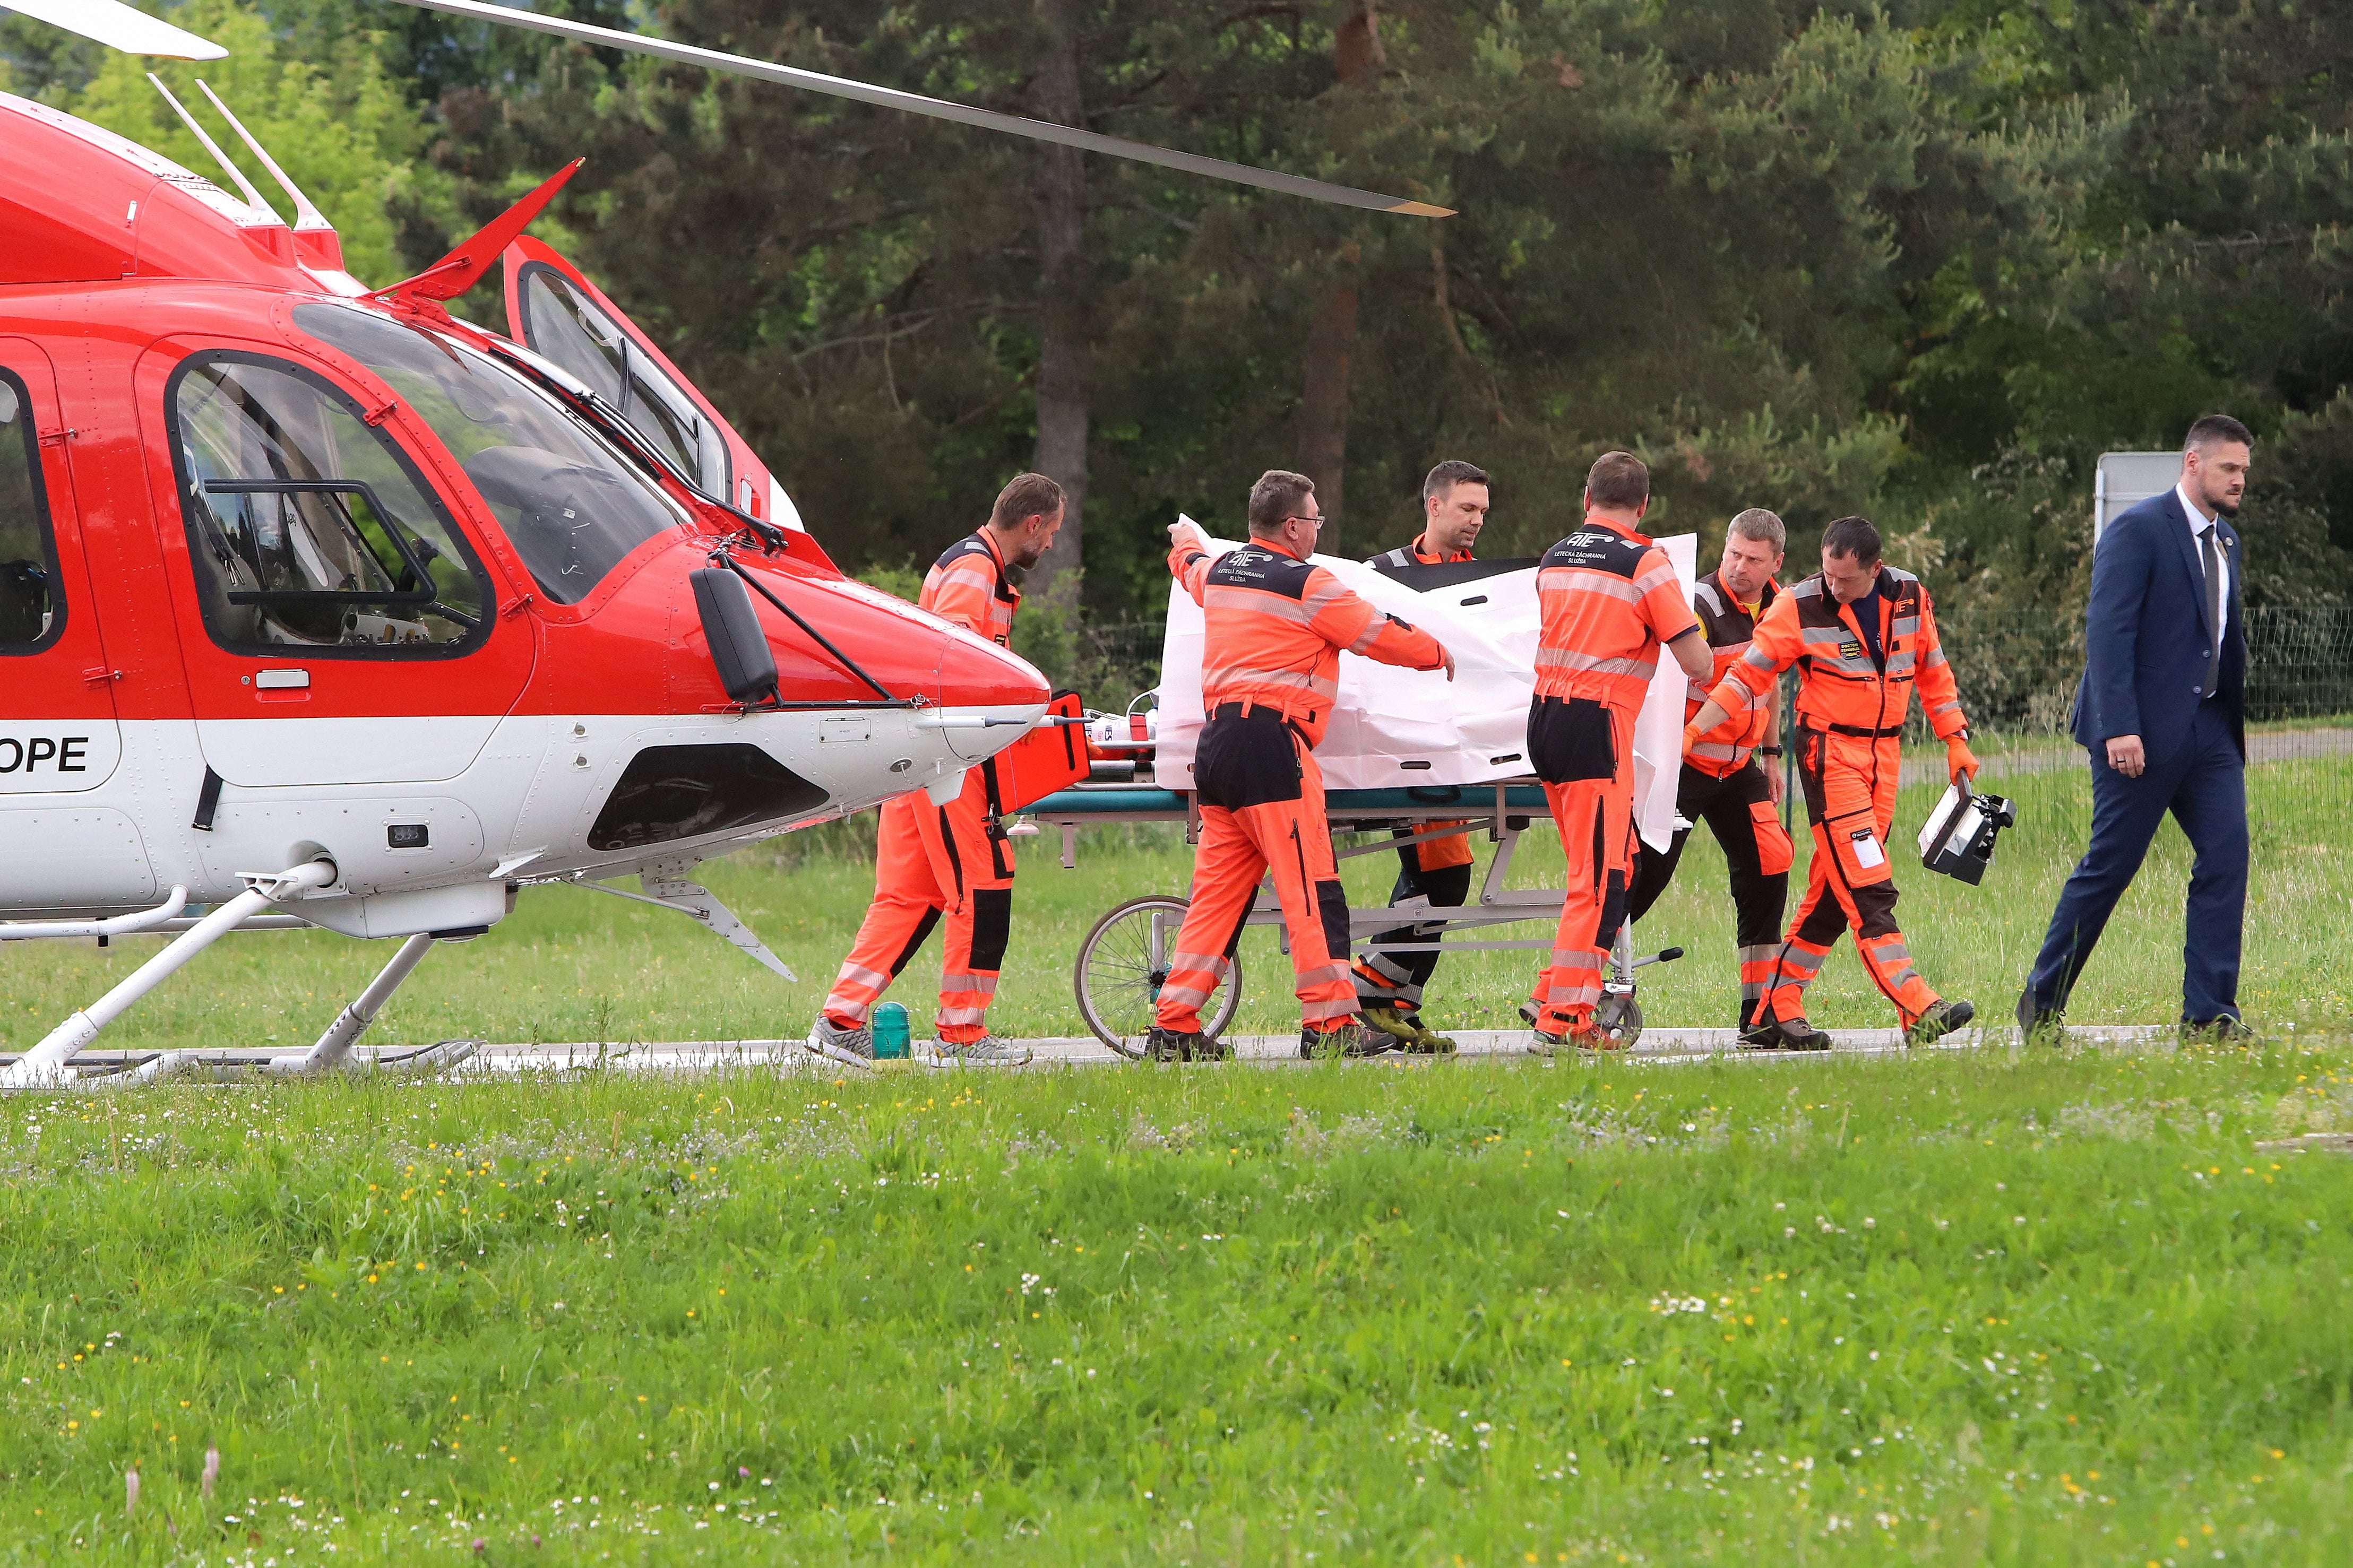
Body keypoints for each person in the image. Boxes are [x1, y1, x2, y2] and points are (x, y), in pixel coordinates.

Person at [1147, 470, 1456, 1062]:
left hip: (1215, 752)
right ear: (1291, 526)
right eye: (1314, 521)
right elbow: (1374, 634)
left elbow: (1186, 565)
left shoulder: (1221, 572)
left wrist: (1184, 539)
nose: (1318, 530)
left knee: (1217, 897)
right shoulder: (1306, 583)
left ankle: (1174, 1025)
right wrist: (1438, 652)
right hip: (1271, 750)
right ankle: (1329, 1023)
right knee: (1311, 890)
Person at [1686, 515, 1979, 1049]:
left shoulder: (1911, 595)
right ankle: (1917, 1003)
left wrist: (1954, 737)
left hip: (1884, 756)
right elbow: (1747, 675)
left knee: (1831, 893)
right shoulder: (1797, 606)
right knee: (1867, 883)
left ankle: (1774, 1004)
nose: (1833, 587)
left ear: (1875, 567)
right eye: (1826, 574)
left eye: (1845, 579)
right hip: (1829, 756)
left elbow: (1932, 669)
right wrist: (1695, 729)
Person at [806, 473, 1065, 1068]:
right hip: (945, 765)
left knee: (909, 896)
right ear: (1031, 525)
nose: (1048, 545)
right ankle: (963, 1036)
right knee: (983, 882)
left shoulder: (971, 564)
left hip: (918, 761)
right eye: (1049, 534)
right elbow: (951, 666)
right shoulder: (976, 572)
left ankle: (839, 1021)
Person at [2019, 415, 2253, 1043]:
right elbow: (2108, 631)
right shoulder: (2139, 529)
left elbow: (2219, 639)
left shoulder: (2225, 540)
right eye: (2228, 468)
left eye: (2242, 471)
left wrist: (2228, 724)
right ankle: (2040, 1006)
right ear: (2192, 463)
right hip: (2137, 738)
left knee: (2227, 857)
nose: (2237, 481)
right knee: (2110, 867)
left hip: (2208, 736)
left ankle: (2208, 1016)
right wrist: (2118, 726)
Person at [1525, 452, 1716, 1053]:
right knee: (1601, 880)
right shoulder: (1645, 562)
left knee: (1611, 863)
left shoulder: (1555, 557)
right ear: (1643, 507)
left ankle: (1556, 990)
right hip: (1597, 728)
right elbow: (1696, 664)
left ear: (1586, 499)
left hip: (1544, 722)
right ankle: (1562, 1021)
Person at [1623, 508, 1796, 1035]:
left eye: (1752, 559)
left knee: (1770, 864)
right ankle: (1569, 990)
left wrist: (1770, 757)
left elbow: (1767, 685)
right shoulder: (1697, 605)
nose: (1739, 567)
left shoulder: (1777, 608)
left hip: (1738, 767)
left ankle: (1761, 1014)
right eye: (1732, 554)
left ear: (1775, 563)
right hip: (1682, 763)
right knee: (1643, 874)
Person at [1353, 458, 1492, 1053]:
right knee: (1441, 874)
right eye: (1466, 509)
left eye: (1482, 512)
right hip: (1402, 750)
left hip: (1458, 752)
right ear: (1432, 506)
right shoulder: (1381, 574)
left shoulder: (1486, 578)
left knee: (1438, 875)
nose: (1476, 521)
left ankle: (1393, 1002)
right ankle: (1373, 987)